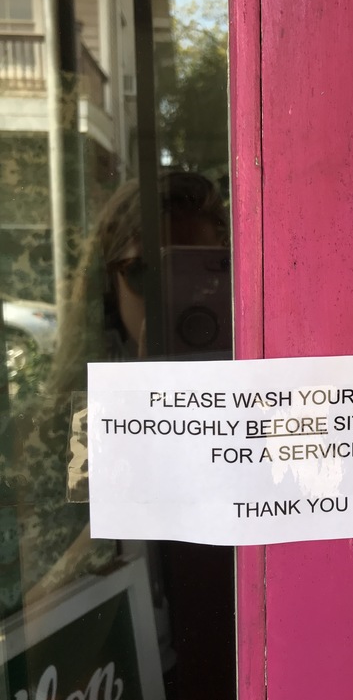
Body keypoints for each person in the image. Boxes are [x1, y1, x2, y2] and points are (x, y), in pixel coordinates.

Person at [0, 171, 229, 615]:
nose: (178, 298)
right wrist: (139, 418)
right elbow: (38, 621)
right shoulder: (69, 425)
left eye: (207, 272)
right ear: (106, 287)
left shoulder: (257, 408)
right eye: (150, 274)